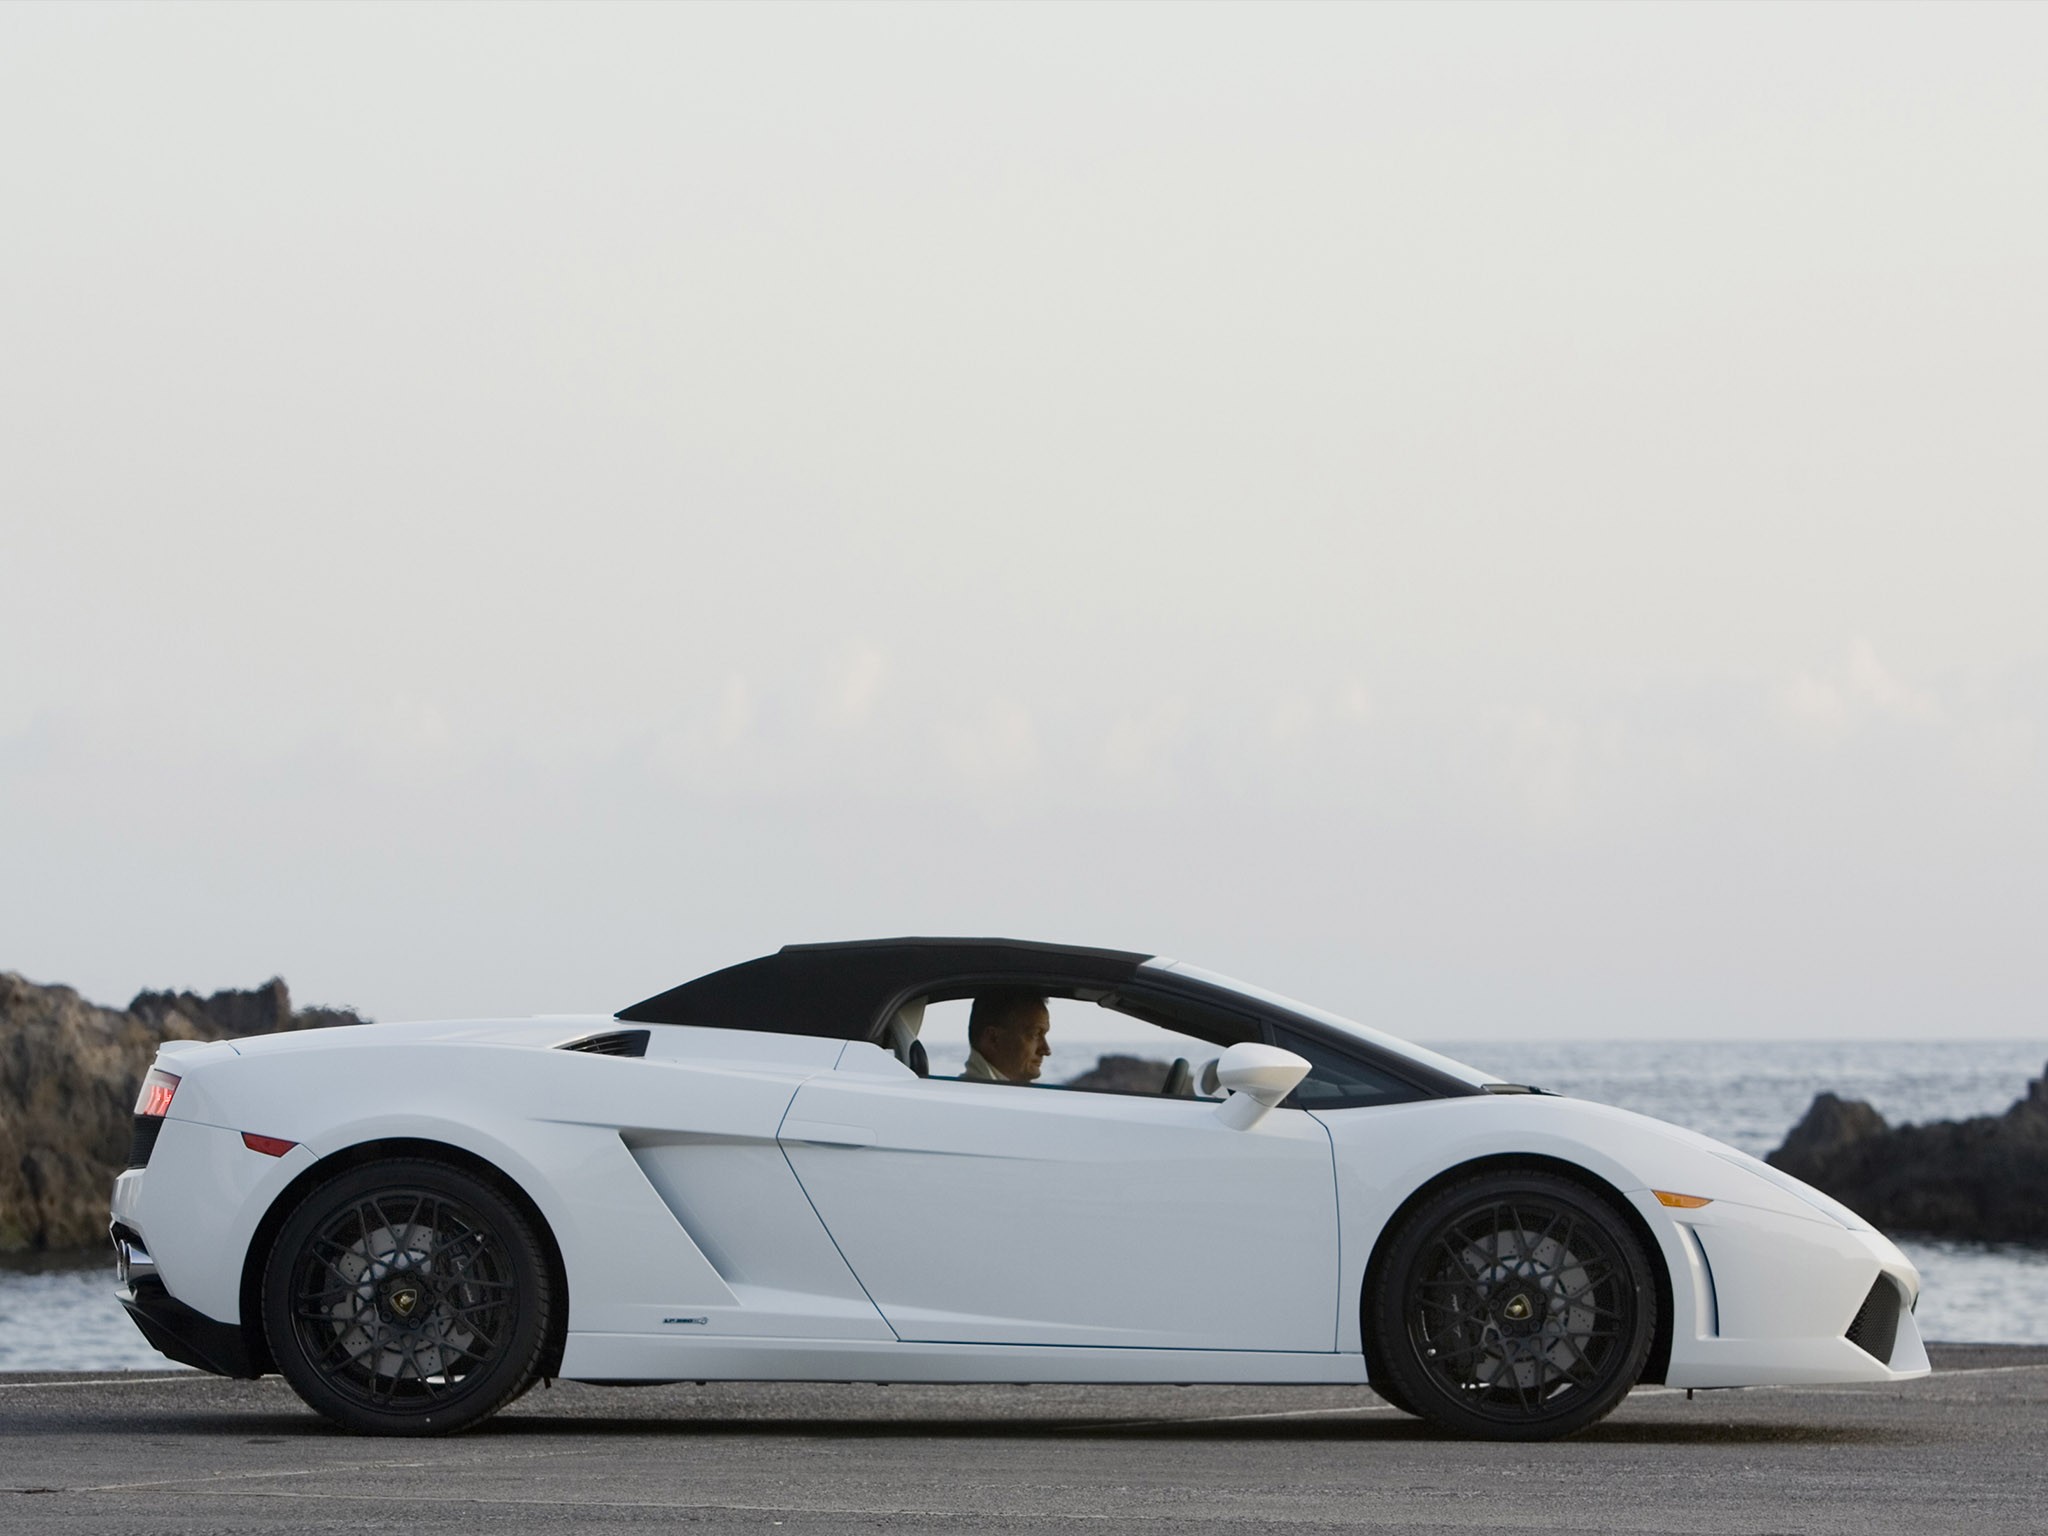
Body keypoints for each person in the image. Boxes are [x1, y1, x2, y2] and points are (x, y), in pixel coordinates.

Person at [959, 990, 1051, 1083]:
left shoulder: (973, 1088)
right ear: (993, 1038)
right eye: (1035, 1034)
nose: (1046, 1050)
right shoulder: (980, 1091)